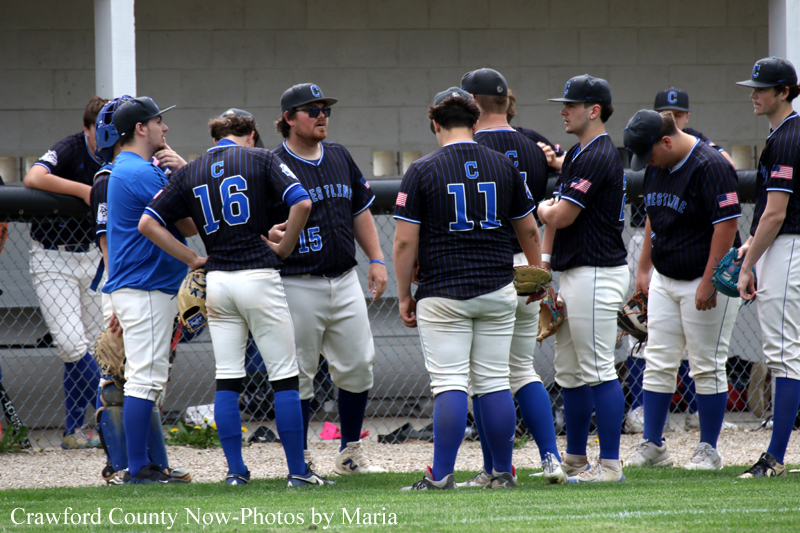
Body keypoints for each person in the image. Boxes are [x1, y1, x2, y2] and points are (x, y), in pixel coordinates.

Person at [140, 108, 333, 487]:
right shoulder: (261, 157)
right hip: (258, 276)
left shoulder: (191, 169)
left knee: (228, 378)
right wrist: (285, 248)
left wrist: (193, 259)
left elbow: (147, 222)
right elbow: (303, 203)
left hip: (219, 281)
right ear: (251, 134)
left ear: (215, 139)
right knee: (284, 378)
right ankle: (298, 472)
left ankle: (235, 473)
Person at [394, 87, 542, 490]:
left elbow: (405, 242)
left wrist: (404, 294)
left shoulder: (422, 169)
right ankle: (501, 472)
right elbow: (529, 228)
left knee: (450, 382)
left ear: (435, 125)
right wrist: (537, 273)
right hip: (497, 286)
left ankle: (441, 475)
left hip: (443, 290)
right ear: (476, 123)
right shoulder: (502, 163)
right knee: (494, 380)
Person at [272, 83, 387, 475]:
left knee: (359, 365)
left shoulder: (338, 155)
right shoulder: (273, 163)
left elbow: (361, 212)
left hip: (344, 277)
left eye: (325, 109)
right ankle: (300, 457)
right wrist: (271, 236)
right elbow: (256, 223)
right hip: (296, 281)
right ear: (288, 118)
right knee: (300, 373)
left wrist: (376, 258)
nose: (321, 115)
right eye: (311, 109)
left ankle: (349, 452)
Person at [458, 68, 566, 485]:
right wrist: (542, 269)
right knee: (522, 370)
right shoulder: (533, 145)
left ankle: (494, 469)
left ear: (471, 105)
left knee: (483, 377)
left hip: (485, 265)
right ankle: (552, 459)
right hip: (528, 258)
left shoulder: (468, 146)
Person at [622, 109, 741, 470]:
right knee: (656, 359)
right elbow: (652, 217)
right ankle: (653, 446)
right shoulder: (658, 165)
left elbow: (727, 225)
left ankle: (708, 450)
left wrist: (709, 281)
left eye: (651, 154)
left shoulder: (710, 164)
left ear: (667, 141)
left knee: (706, 365)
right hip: (665, 277)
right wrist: (644, 267)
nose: (648, 163)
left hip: (702, 278)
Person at [90, 96, 191, 485]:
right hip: (145, 287)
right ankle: (138, 469)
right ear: (140, 129)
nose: (165, 129)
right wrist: (194, 261)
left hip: (143, 285)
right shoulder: (138, 172)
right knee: (144, 380)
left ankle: (143, 465)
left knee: (143, 378)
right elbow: (188, 224)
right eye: (158, 122)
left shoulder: (131, 167)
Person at [537, 74, 628, 483]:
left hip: (597, 271)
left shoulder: (597, 153)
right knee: (569, 373)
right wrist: (542, 261)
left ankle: (610, 464)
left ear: (594, 110)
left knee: (598, 370)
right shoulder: (579, 152)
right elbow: (557, 216)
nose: (563, 110)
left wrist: (542, 208)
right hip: (577, 270)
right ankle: (575, 458)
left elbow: (561, 214)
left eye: (571, 104)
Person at [23, 96, 108, 450]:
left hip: (93, 256)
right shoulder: (72, 147)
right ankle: (112, 419)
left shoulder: (116, 151)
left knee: (95, 346)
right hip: (53, 257)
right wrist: (84, 191)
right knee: (71, 345)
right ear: (87, 128)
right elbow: (32, 177)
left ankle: (75, 430)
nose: (102, 138)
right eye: (97, 131)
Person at [735, 57, 800, 478]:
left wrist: (748, 264)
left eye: (762, 88)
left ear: (784, 92)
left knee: (783, 354)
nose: (754, 94)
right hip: (787, 246)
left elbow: (774, 215)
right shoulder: (784, 134)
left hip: (789, 247)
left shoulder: (787, 138)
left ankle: (775, 458)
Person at [653, 88, 736, 168]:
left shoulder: (693, 137)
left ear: (687, 117)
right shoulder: (648, 136)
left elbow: (728, 163)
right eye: (666, 115)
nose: (673, 120)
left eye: (678, 115)